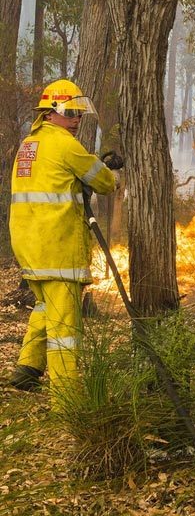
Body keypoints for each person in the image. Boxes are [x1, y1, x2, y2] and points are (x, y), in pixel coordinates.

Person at [8, 79, 121, 406]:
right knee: (65, 328)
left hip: (30, 247)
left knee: (46, 306)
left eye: (79, 113)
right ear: (52, 112)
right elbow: (102, 183)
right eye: (71, 112)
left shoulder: (28, 145)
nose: (77, 119)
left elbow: (57, 180)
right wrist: (109, 172)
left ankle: (27, 368)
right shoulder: (66, 145)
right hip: (58, 245)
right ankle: (67, 397)